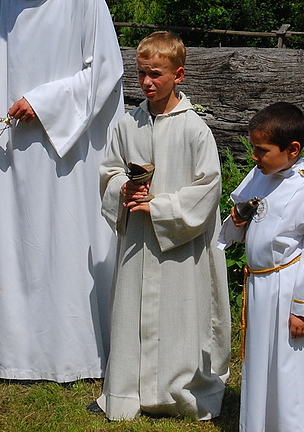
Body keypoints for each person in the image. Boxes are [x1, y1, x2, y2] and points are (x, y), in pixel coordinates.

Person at [0, 0, 124, 382]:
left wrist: (43, 102)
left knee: (65, 243)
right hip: (17, 154)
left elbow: (105, 73)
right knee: (20, 245)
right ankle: (17, 353)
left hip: (68, 153)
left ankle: (73, 355)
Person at [92, 31, 231, 420]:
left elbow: (208, 188)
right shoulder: (127, 125)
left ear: (178, 74)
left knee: (180, 316)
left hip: (179, 247)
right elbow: (109, 172)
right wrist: (123, 189)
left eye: (155, 74)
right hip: (138, 242)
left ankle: (178, 393)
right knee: (132, 311)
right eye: (141, 74)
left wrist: (160, 206)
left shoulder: (194, 130)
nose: (147, 82)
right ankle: (126, 393)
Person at [218, 102, 304, 432]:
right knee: (259, 362)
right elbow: (239, 216)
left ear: (292, 149)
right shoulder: (260, 175)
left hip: (287, 290)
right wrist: (237, 220)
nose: (254, 157)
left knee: (287, 366)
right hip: (258, 285)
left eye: (261, 150)